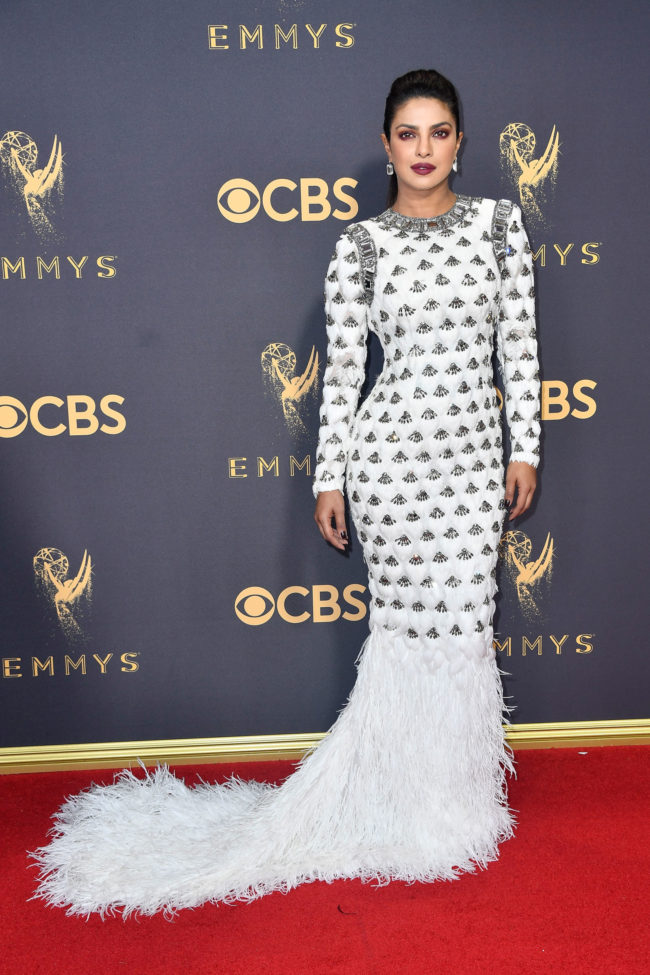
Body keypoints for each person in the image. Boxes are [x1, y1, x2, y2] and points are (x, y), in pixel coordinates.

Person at [33, 69, 540, 918]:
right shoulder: (361, 246)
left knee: (464, 629)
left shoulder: (499, 229)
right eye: (407, 134)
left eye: (438, 132)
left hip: (471, 466)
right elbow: (341, 374)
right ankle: (399, 804)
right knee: (406, 632)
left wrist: (524, 446)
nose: (423, 149)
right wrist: (330, 474)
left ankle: (457, 802)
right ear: (386, 146)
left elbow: (519, 345)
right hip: (393, 470)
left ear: (461, 140)